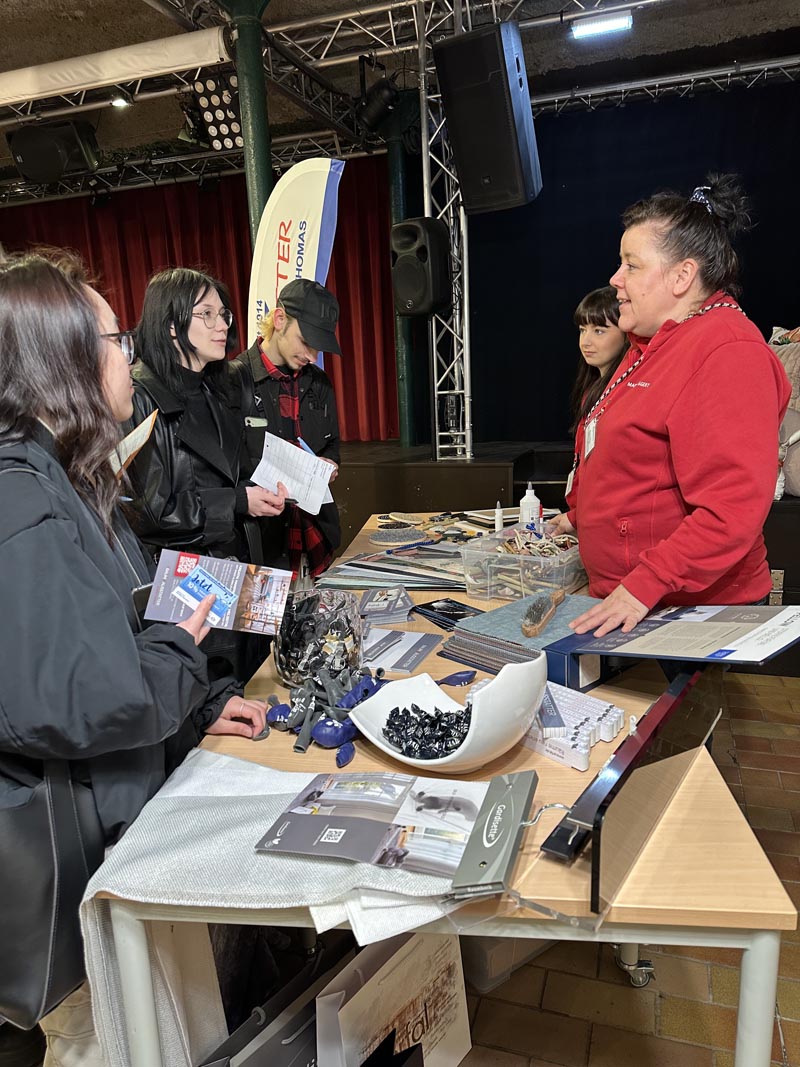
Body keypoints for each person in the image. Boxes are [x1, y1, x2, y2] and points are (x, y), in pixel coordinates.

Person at [0, 251, 267, 1062]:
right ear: (63, 361)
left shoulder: (64, 477)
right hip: (79, 879)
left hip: (117, 833)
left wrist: (200, 701)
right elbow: (81, 696)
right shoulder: (22, 497)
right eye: (113, 337)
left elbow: (123, 618)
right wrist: (181, 648)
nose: (127, 352)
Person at [559, 174, 791, 638]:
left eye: (631, 265)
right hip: (636, 600)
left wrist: (642, 585)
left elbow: (731, 509)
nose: (616, 280)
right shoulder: (647, 346)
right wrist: (577, 520)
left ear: (683, 276)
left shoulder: (726, 350)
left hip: (689, 611)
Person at [124, 267, 287, 683]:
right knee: (211, 698)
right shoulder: (139, 398)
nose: (222, 325)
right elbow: (150, 511)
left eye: (223, 314)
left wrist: (260, 489)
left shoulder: (215, 389)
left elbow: (225, 475)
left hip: (239, 569)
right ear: (172, 326)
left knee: (258, 687)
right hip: (187, 583)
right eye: (206, 315)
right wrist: (238, 501)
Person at [234, 278, 342, 579]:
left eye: (318, 348)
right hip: (262, 550)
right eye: (306, 342)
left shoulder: (319, 383)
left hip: (315, 540)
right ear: (279, 320)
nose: (312, 356)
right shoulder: (234, 381)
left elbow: (332, 445)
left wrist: (331, 465)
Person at [553, 286, 628, 531]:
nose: (586, 341)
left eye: (599, 331)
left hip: (610, 524)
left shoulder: (627, 392)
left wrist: (577, 517)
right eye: (582, 330)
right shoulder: (591, 390)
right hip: (588, 520)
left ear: (626, 332)